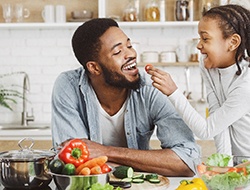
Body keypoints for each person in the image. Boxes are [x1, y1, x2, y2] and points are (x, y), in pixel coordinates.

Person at [51, 18, 200, 177]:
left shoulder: (151, 88)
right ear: (94, 67)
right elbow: (74, 165)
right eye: (117, 52)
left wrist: (106, 152)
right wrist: (148, 163)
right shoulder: (68, 86)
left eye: (129, 46)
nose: (131, 54)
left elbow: (188, 161)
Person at [147, 4, 250, 156]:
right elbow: (217, 121)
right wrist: (225, 166)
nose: (199, 45)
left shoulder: (245, 85)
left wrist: (173, 92)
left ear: (233, 42)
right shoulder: (209, 66)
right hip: (239, 164)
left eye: (205, 38)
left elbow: (206, 130)